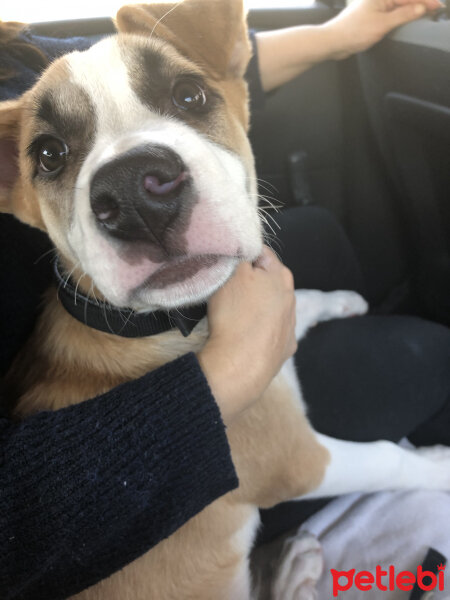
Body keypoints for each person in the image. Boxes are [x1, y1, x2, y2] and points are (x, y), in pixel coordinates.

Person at [0, 0, 449, 598]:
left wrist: (336, 36)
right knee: (430, 352)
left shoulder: (19, 58)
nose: (138, 191)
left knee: (322, 236)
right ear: (14, 186)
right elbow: (290, 469)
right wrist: (227, 378)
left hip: (88, 313)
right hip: (102, 482)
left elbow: (164, 65)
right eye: (51, 156)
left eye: (189, 99)